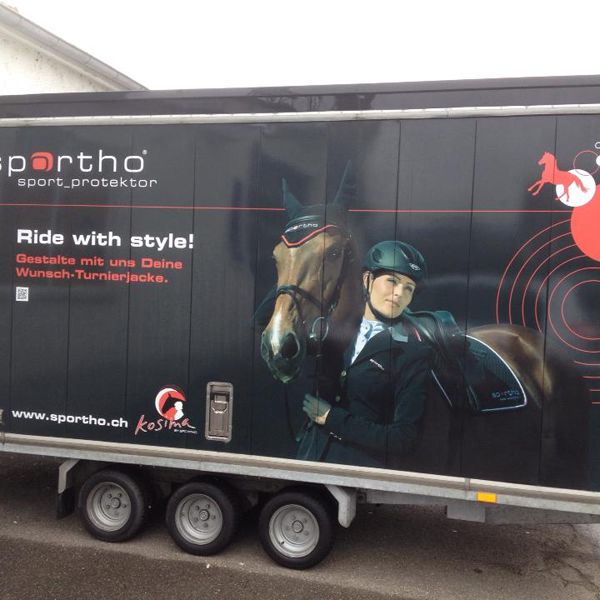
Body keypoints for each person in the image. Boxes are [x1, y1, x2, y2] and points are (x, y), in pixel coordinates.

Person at [298, 240, 432, 469]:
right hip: (309, 460)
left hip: (357, 472)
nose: (399, 293)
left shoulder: (412, 353)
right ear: (367, 279)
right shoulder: (334, 331)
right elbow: (263, 321)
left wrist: (331, 418)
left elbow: (403, 438)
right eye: (392, 281)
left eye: (409, 288)